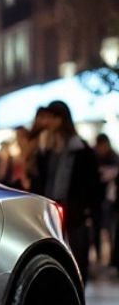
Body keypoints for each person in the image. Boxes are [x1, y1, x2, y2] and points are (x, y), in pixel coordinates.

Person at [32, 100, 101, 283]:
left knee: (77, 259)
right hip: (52, 212)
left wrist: (87, 210)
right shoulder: (47, 147)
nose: (48, 122)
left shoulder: (80, 149)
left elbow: (90, 184)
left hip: (74, 214)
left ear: (60, 119)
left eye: (52, 117)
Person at [93, 133, 117, 269]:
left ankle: (111, 259)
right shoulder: (95, 158)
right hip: (99, 201)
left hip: (111, 202)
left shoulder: (113, 158)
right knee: (98, 230)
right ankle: (99, 258)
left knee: (110, 230)